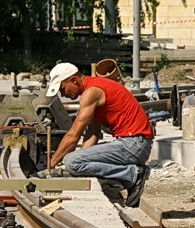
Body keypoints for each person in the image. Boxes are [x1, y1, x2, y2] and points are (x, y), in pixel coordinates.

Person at [46, 62, 153, 207]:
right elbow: (92, 133)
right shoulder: (94, 88)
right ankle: (130, 175)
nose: (63, 94)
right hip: (135, 143)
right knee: (75, 161)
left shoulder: (92, 92)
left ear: (74, 80)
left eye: (62, 89)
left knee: (71, 161)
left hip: (133, 144)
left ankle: (133, 175)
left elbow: (73, 135)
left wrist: (51, 165)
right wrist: (81, 159)